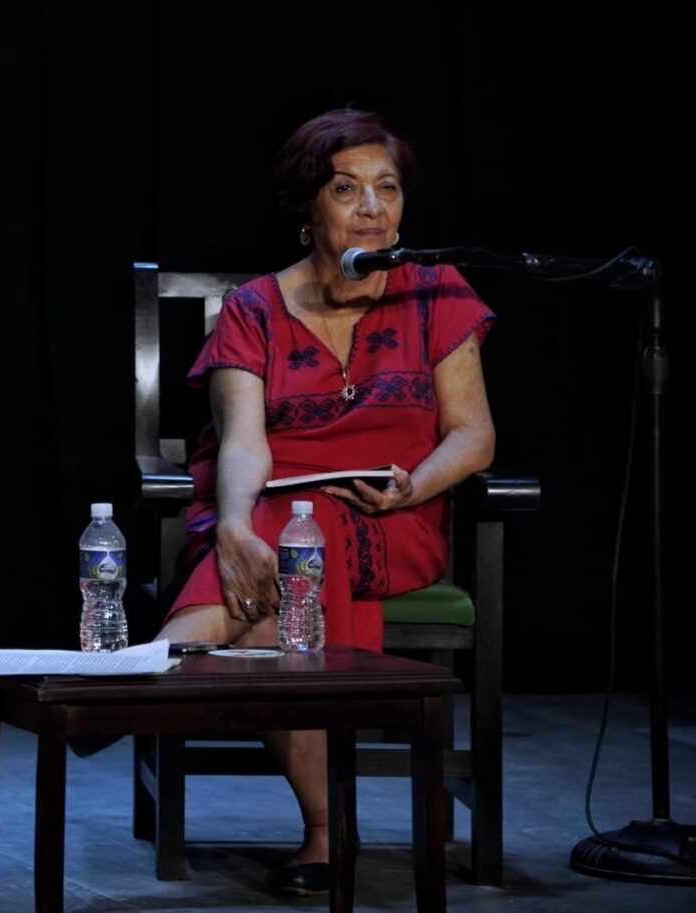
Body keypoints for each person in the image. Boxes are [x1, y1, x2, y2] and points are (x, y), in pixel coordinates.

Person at [158, 108, 495, 895]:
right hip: (272, 516)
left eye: (388, 188)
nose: (373, 208)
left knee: (305, 534)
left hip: (396, 516)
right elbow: (243, 441)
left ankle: (162, 663)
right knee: (290, 551)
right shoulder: (253, 309)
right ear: (310, 207)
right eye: (348, 189)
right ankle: (327, 823)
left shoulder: (436, 291)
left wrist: (419, 483)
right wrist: (236, 524)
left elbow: (473, 435)